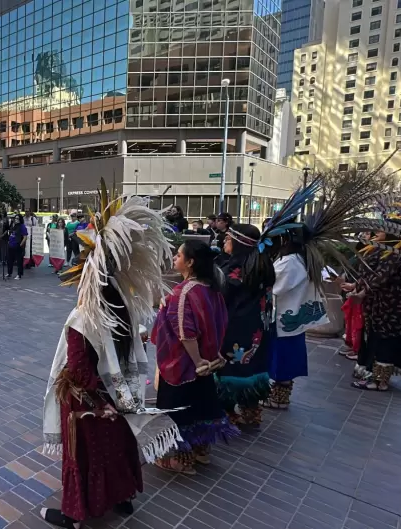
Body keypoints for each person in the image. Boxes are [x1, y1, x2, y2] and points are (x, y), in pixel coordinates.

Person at [41, 187, 182, 529]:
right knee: (118, 450)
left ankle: (75, 515)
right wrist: (116, 401)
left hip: (88, 404)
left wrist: (93, 400)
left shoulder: (84, 318)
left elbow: (77, 370)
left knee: (87, 458)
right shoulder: (124, 307)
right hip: (121, 396)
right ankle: (122, 498)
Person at [152, 240, 236, 474]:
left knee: (180, 410)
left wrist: (198, 360)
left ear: (190, 262)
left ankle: (182, 460)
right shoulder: (212, 289)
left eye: (178, 256)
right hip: (206, 362)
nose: (174, 259)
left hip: (184, 364)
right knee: (202, 405)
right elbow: (221, 323)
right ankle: (202, 451)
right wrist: (210, 356)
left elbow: (185, 333)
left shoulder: (182, 293)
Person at [344, 223, 401, 391]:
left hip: (391, 309)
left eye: (381, 230)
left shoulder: (396, 255)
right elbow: (372, 275)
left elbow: (380, 277)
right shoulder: (387, 251)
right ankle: (377, 378)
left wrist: (361, 293)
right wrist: (355, 285)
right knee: (378, 341)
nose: (376, 233)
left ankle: (379, 382)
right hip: (382, 308)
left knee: (384, 343)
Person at [213, 224, 275, 430]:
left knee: (231, 368)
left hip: (235, 328)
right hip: (258, 327)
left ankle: (228, 413)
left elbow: (219, 296)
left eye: (228, 238)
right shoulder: (262, 263)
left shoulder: (234, 269)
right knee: (253, 366)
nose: (224, 241)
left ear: (238, 242)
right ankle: (251, 411)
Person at [265, 226, 329, 409]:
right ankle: (279, 395)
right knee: (285, 356)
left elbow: (274, 286)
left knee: (282, 358)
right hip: (291, 317)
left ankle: (279, 398)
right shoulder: (301, 258)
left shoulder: (290, 262)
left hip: (284, 317)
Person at [6, 213, 28, 280]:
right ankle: (9, 273)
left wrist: (21, 244)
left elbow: (25, 236)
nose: (16, 220)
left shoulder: (22, 226)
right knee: (10, 260)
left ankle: (19, 274)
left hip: (17, 245)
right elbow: (11, 233)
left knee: (19, 261)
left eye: (18, 218)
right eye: (15, 218)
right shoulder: (13, 226)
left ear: (20, 219)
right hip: (11, 245)